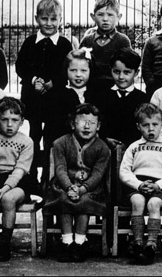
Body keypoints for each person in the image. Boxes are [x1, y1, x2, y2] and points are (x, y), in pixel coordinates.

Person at [15, 0, 73, 187]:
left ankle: (46, 178)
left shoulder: (64, 44)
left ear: (60, 20)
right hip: (32, 99)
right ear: (36, 19)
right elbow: (20, 66)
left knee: (51, 138)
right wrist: (34, 80)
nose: (49, 23)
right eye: (44, 19)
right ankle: (30, 176)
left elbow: (67, 70)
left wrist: (51, 83)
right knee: (33, 136)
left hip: (54, 101)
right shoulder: (30, 42)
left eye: (53, 19)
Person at [43, 103, 111, 263]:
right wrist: (69, 187)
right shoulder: (61, 143)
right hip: (63, 185)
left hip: (91, 188)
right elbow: (60, 168)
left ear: (98, 126)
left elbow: (98, 174)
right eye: (82, 122)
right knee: (65, 199)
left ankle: (80, 243)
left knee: (84, 201)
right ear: (73, 124)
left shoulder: (102, 148)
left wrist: (82, 189)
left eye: (92, 123)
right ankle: (66, 241)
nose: (87, 126)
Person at [119, 103, 162, 265]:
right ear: (138, 126)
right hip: (138, 185)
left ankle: (151, 244)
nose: (151, 129)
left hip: (159, 187)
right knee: (137, 201)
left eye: (155, 124)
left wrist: (158, 185)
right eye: (146, 125)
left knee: (154, 204)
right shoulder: (134, 147)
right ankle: (138, 241)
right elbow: (124, 172)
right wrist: (138, 184)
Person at [0, 97, 34, 262]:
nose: (9, 125)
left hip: (19, 182)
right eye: (4, 120)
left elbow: (20, 169)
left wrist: (6, 188)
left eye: (15, 120)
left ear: (22, 121)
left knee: (8, 199)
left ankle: (4, 243)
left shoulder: (26, 142)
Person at [41, 48, 95, 183]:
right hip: (63, 145)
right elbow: (51, 125)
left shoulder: (95, 94)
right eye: (73, 70)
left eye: (83, 71)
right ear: (66, 71)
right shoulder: (57, 94)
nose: (78, 75)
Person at [91, 47, 148, 149]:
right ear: (111, 70)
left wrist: (128, 143)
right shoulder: (101, 96)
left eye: (127, 72)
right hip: (103, 148)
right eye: (116, 72)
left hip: (133, 149)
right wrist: (104, 139)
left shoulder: (142, 99)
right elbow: (96, 122)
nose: (121, 77)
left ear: (136, 72)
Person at [79, 0, 132, 94]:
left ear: (118, 17)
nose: (105, 19)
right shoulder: (87, 40)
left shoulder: (122, 40)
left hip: (115, 88)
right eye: (100, 14)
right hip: (91, 88)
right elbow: (79, 63)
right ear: (93, 16)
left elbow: (128, 67)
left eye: (110, 15)